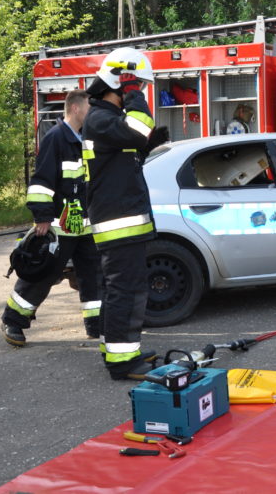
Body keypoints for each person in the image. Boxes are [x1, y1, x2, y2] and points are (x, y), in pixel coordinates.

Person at [83, 47, 168, 381]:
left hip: (119, 219)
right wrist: (134, 94)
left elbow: (132, 143)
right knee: (127, 290)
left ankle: (119, 348)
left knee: (120, 289)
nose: (141, 92)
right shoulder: (102, 118)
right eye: (137, 87)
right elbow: (139, 126)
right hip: (119, 223)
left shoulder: (104, 120)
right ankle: (122, 361)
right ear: (119, 82)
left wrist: (146, 145)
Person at [1, 90, 102, 347]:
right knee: (44, 274)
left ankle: (97, 327)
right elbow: (41, 182)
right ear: (77, 109)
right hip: (62, 225)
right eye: (90, 107)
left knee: (93, 277)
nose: (94, 112)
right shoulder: (56, 139)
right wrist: (43, 217)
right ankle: (14, 321)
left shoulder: (86, 139)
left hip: (86, 225)